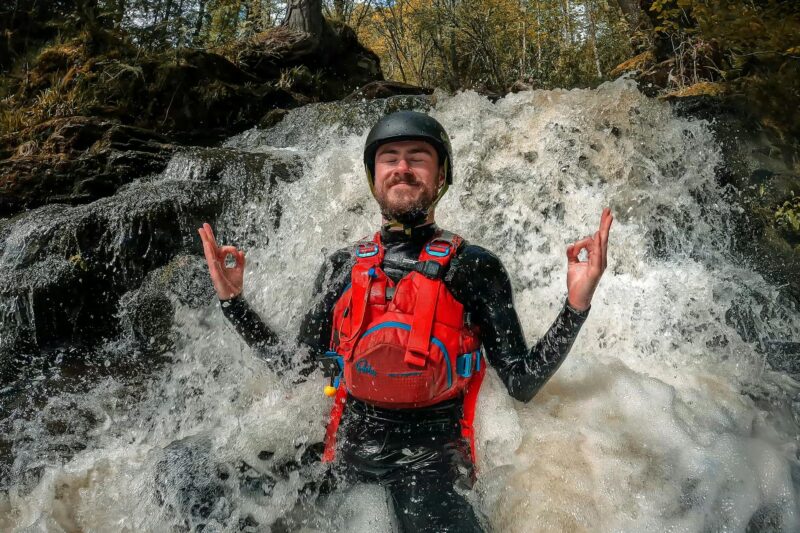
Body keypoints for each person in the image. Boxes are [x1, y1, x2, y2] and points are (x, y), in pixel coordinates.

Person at [198, 111, 613, 532]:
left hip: (433, 465)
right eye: (390, 158)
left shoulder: (475, 268)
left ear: (440, 175)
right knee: (200, 485)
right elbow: (298, 369)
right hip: (347, 455)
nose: (402, 167)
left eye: (417, 157)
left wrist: (576, 304)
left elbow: (521, 383)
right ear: (373, 175)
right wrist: (234, 303)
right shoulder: (341, 267)